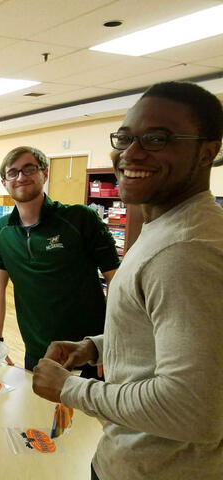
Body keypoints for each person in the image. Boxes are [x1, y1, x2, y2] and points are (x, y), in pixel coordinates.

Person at [32, 81, 223, 480]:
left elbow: (191, 408)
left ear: (208, 151)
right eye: (125, 137)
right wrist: (97, 347)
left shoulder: (185, 250)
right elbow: (169, 335)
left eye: (157, 139)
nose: (131, 154)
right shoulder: (170, 228)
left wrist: (71, 389)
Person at [0, 145, 119, 375]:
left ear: (44, 174)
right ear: (4, 182)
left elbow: (117, 281)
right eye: (13, 172)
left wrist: (112, 343)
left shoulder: (80, 219)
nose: (21, 177)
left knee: (88, 412)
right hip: (38, 350)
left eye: (29, 169)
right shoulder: (2, 229)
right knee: (38, 411)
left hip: (90, 352)